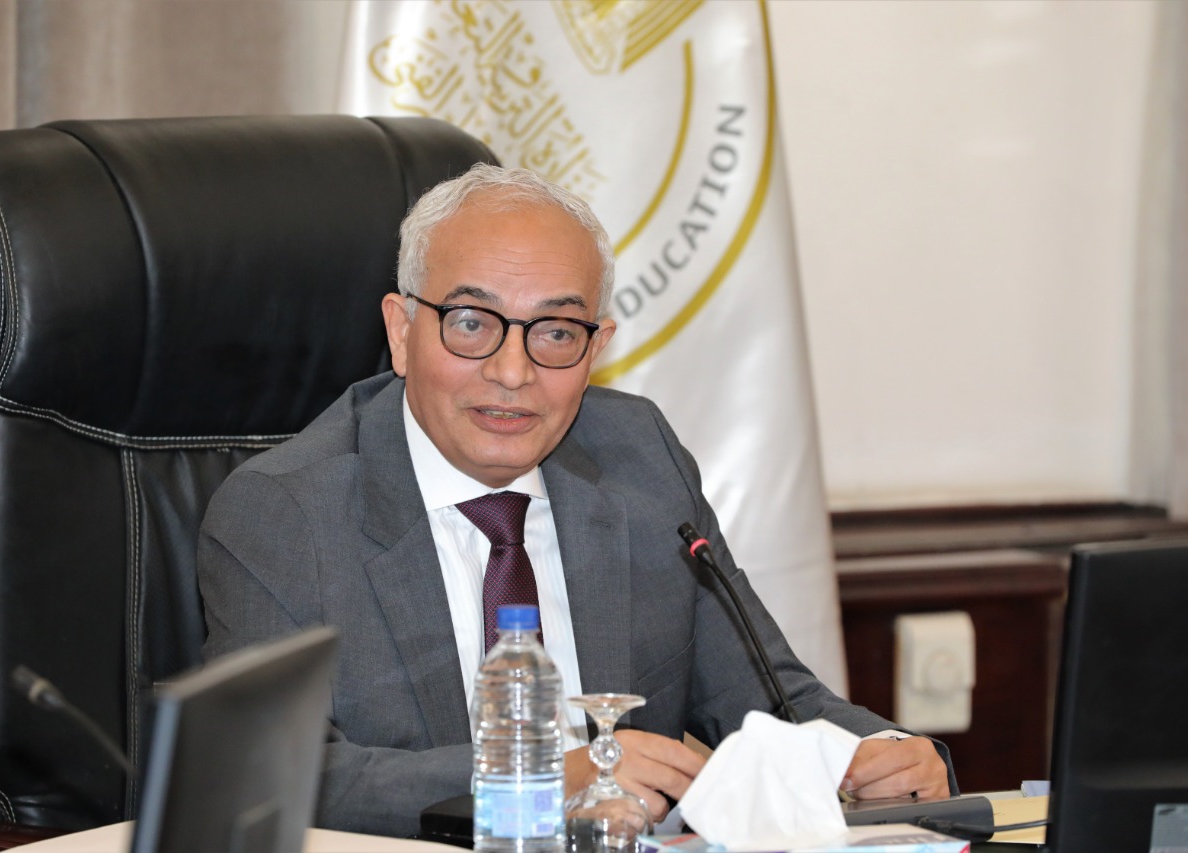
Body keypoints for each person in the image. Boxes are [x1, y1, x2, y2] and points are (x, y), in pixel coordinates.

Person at [197, 163, 954, 838]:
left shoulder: (639, 460)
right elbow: (269, 775)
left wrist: (879, 754)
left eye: (556, 332)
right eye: (471, 323)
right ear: (401, 331)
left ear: (596, 348)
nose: (512, 371)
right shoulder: (284, 513)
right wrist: (532, 781)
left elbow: (772, 698)